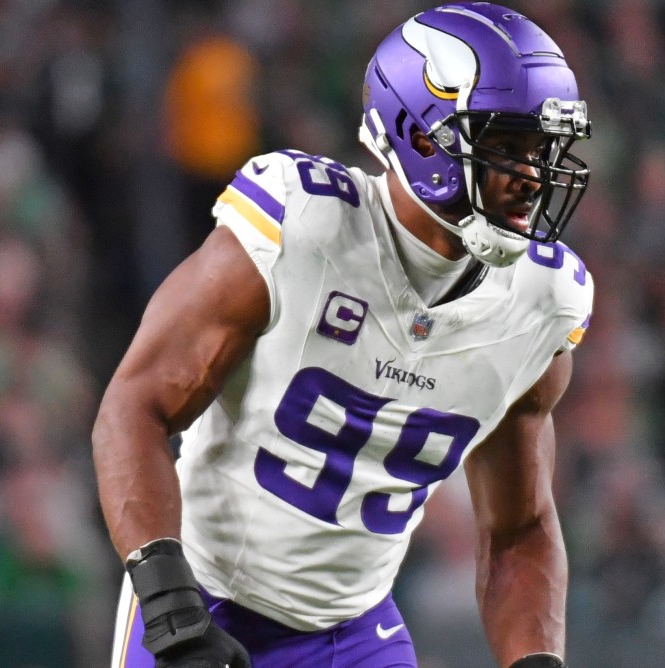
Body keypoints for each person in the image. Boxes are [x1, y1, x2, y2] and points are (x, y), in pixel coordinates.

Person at [93, 4, 594, 667]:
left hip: (357, 632)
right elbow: (134, 407)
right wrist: (167, 600)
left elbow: (520, 526)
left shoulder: (540, 301)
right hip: (206, 598)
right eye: (507, 146)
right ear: (422, 136)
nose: (533, 176)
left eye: (543, 150)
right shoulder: (303, 229)